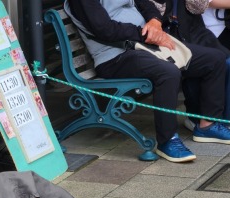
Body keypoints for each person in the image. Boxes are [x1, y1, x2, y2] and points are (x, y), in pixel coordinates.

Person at [65, 0, 230, 163]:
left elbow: (145, 3)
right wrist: (147, 34)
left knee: (215, 59)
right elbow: (104, 29)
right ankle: (167, 141)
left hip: (145, 45)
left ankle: (207, 125)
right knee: (168, 72)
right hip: (115, 57)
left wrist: (154, 21)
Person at [157, 0, 230, 128]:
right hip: (178, 32)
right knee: (210, 61)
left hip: (199, 29)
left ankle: (220, 120)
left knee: (222, 60)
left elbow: (197, 5)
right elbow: (199, 3)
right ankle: (199, 119)